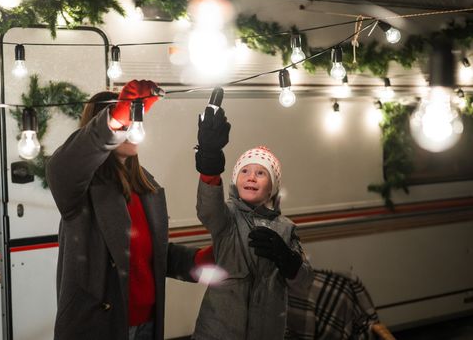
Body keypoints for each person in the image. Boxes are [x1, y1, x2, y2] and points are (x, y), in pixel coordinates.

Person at [46, 80, 211, 340]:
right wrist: (116, 118)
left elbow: (149, 257)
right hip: (98, 327)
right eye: (126, 121)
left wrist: (199, 260)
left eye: (135, 120)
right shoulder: (82, 189)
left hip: (146, 324)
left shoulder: (147, 188)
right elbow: (62, 166)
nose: (132, 127)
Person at [192, 106, 313, 340]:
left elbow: (304, 281)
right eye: (245, 171)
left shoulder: (286, 228)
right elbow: (208, 209)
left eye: (261, 173)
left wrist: (288, 260)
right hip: (219, 331)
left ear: (272, 187)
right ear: (236, 180)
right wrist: (210, 163)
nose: (251, 177)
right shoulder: (227, 218)